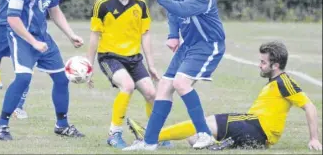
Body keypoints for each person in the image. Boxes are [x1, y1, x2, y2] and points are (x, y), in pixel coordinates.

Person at [126, 41, 322, 151]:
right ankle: (224, 144)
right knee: (194, 139)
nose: (259, 65)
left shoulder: (284, 82)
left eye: (263, 62)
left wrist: (314, 139)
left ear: (276, 65)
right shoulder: (275, 83)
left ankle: (150, 136)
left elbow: (310, 107)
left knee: (205, 124)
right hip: (254, 131)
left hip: (256, 126)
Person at [123, 0, 226, 151]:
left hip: (207, 45)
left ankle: (205, 134)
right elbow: (173, 13)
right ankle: (150, 142)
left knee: (181, 83)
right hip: (188, 46)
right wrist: (173, 35)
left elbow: (183, 10)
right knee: (164, 86)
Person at [0, 0, 84, 141]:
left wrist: (71, 34)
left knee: (62, 79)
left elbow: (55, 10)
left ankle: (62, 125)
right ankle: (2, 125)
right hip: (22, 38)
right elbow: (13, 19)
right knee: (24, 79)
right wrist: (33, 42)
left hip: (43, 38)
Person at [87, 0, 167, 149]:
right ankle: (114, 133)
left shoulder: (140, 5)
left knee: (151, 93)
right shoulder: (102, 4)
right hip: (109, 57)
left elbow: (145, 35)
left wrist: (151, 65)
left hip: (133, 58)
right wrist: (89, 66)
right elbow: (95, 35)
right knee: (128, 86)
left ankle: (152, 134)